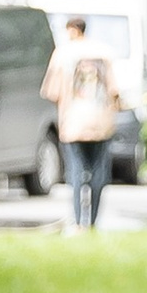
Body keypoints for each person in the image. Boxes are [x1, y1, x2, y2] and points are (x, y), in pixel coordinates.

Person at [41, 14, 121, 231]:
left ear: (72, 30)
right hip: (101, 123)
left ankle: (78, 222)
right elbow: (114, 91)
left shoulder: (63, 54)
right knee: (98, 173)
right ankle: (93, 221)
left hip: (74, 123)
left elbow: (52, 92)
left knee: (76, 172)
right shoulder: (104, 52)